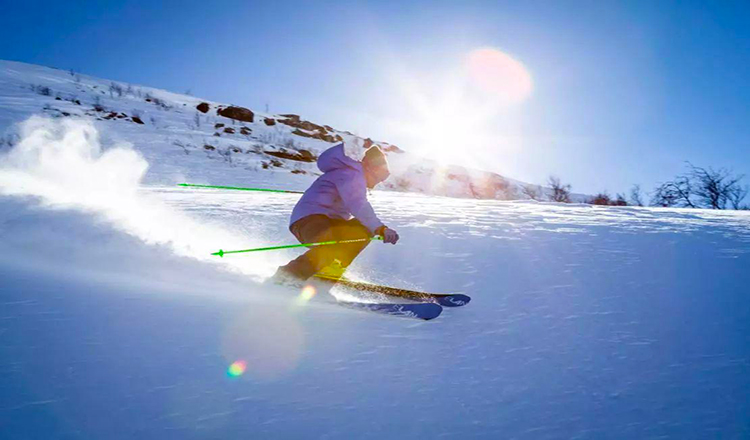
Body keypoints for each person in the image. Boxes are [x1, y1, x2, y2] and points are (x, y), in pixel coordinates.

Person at [271, 142, 399, 285]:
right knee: (331, 241)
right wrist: (380, 228)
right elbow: (358, 204)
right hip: (308, 220)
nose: (378, 182)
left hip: (328, 220)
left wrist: (374, 227)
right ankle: (290, 275)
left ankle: (329, 273)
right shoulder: (351, 174)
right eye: (379, 177)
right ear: (370, 167)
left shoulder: (355, 175)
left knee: (362, 228)